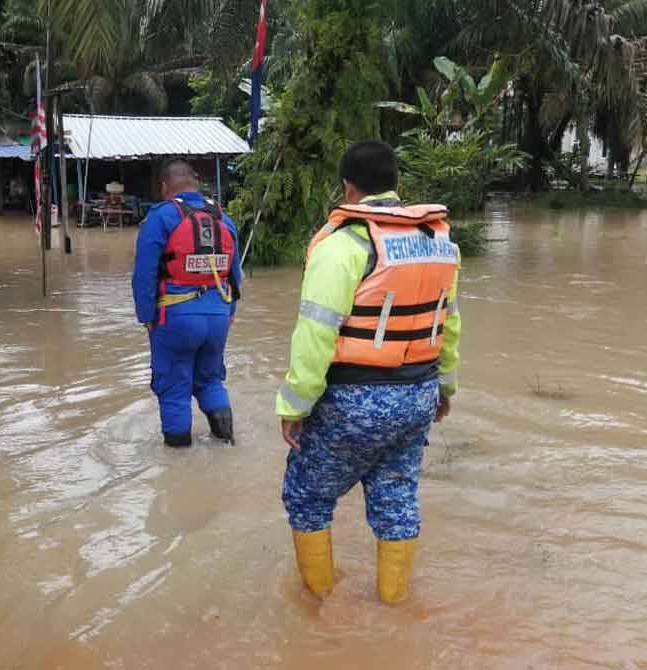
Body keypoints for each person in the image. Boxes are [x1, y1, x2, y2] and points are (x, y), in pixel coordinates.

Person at [276, 140, 462, 604]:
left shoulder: (343, 244)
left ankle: (319, 608)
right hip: (419, 394)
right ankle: (393, 609)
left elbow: (316, 333)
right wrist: (444, 386)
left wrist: (294, 406)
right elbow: (450, 323)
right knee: (396, 500)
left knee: (308, 498)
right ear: (396, 184)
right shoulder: (439, 243)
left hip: (355, 401)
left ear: (348, 188)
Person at [132, 159, 243, 447]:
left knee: (174, 387)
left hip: (177, 316)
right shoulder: (223, 217)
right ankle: (226, 442)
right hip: (218, 315)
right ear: (196, 184)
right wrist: (229, 311)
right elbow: (235, 273)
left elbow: (144, 274)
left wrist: (146, 316)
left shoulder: (161, 217)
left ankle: (179, 461)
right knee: (210, 380)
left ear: (165, 186)